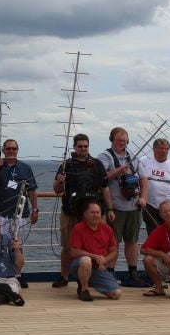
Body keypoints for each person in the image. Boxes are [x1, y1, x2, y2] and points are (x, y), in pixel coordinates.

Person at [52, 134, 111, 288]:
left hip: (92, 215)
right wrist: (59, 182)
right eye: (80, 146)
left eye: (85, 146)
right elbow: (57, 190)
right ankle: (64, 277)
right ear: (75, 147)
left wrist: (108, 209)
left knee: (92, 247)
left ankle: (90, 278)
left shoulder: (97, 164)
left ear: (88, 147)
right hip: (70, 212)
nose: (83, 149)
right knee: (67, 246)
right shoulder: (67, 165)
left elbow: (105, 188)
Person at [99, 127, 148, 287]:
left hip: (134, 206)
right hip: (116, 207)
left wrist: (143, 197)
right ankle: (111, 273)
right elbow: (102, 177)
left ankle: (132, 272)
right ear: (112, 140)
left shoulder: (133, 157)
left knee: (132, 240)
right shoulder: (105, 156)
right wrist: (118, 170)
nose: (122, 143)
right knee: (114, 242)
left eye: (125, 141)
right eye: (119, 140)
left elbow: (144, 179)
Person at [0, 138, 38, 288]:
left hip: (20, 213)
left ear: (17, 150)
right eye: (8, 149)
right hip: (0, 213)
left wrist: (35, 209)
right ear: (3, 150)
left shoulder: (25, 168)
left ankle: (17, 274)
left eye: (14, 149)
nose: (11, 151)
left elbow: (32, 190)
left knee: (17, 244)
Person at [69, 200, 122, 302]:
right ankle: (84, 290)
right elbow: (73, 252)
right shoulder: (78, 228)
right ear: (85, 214)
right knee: (85, 260)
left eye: (98, 212)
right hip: (80, 265)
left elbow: (114, 251)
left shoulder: (107, 229)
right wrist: (94, 256)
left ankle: (88, 281)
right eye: (92, 212)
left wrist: (104, 260)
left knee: (116, 294)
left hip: (98, 266)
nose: (95, 215)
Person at [136, 138, 170, 236]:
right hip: (150, 206)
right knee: (153, 235)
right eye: (161, 148)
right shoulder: (142, 161)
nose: (164, 151)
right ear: (154, 149)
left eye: (166, 149)